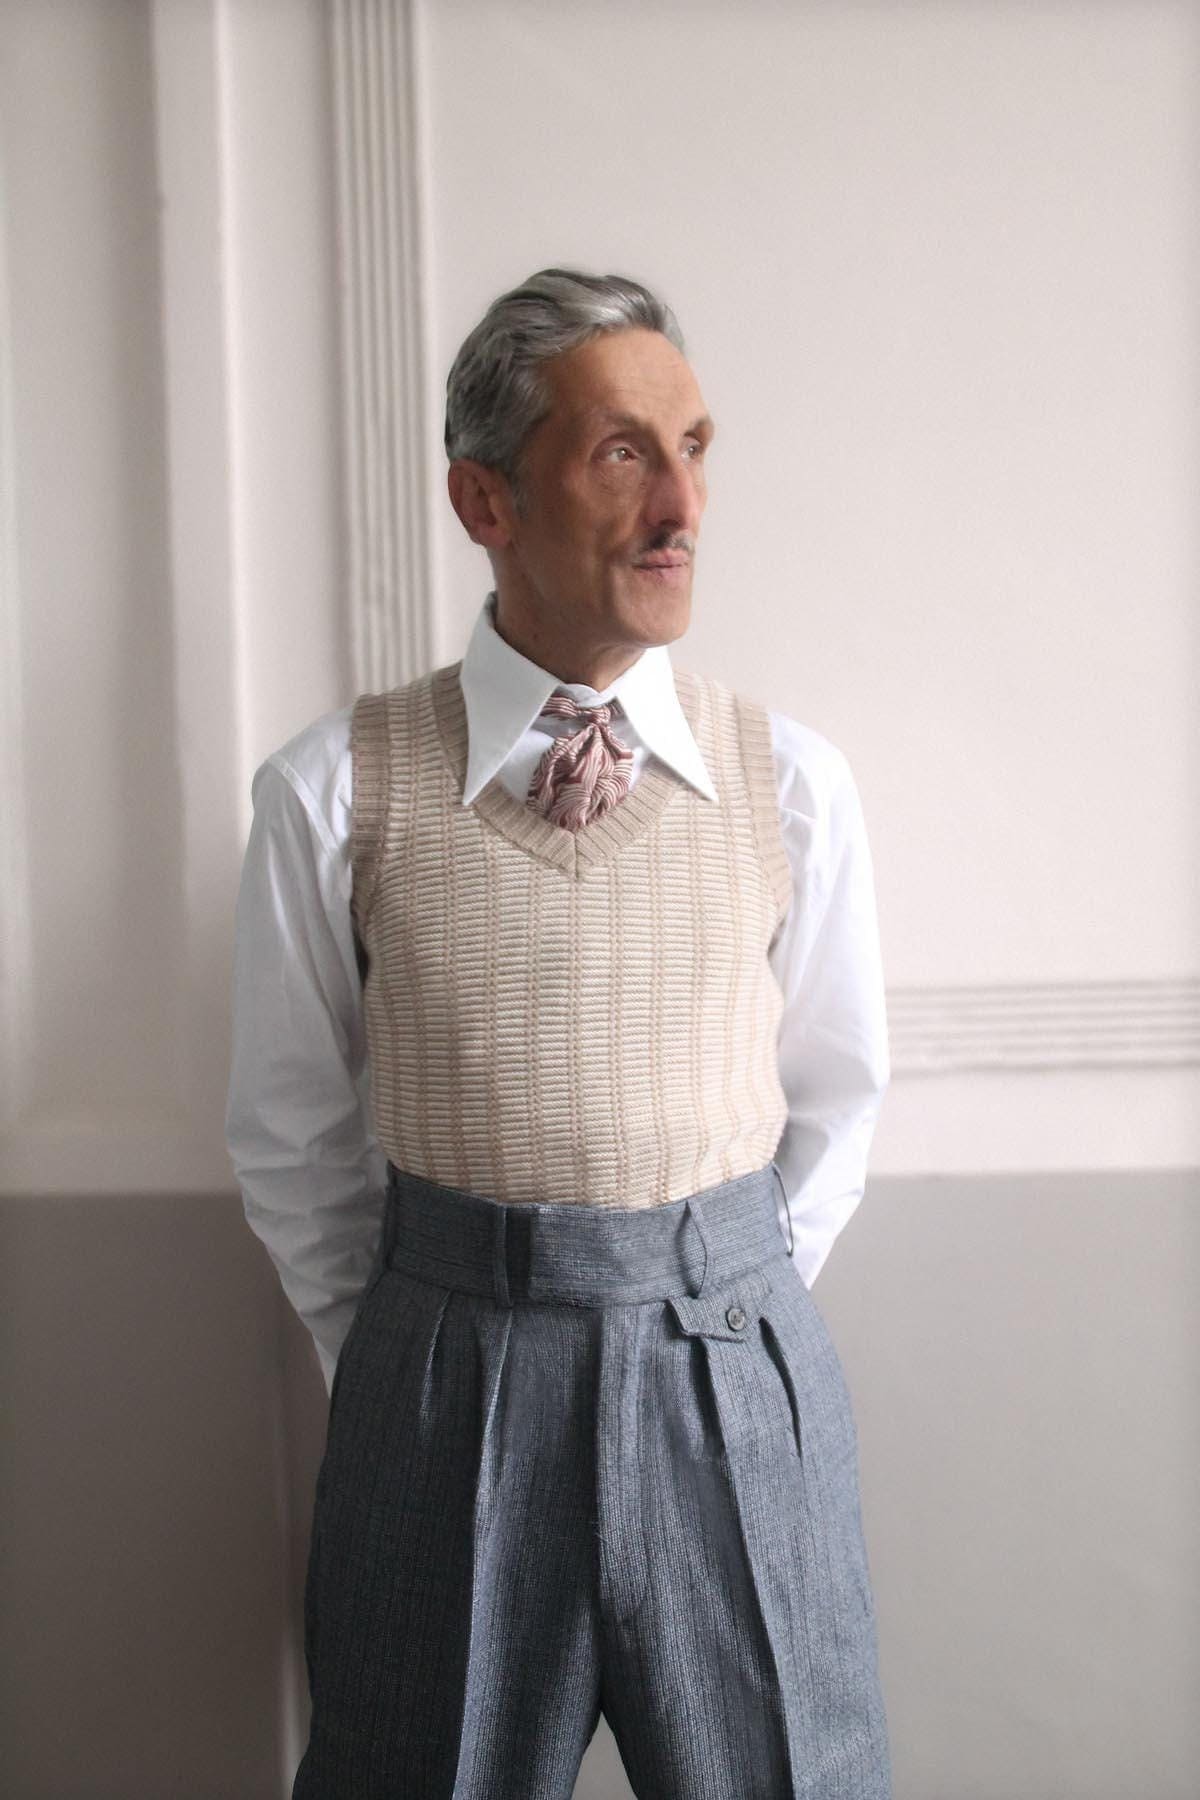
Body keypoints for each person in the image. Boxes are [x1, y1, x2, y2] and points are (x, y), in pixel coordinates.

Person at [225, 267, 894, 1799]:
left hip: (731, 1371)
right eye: (621, 453)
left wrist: (726, 1303)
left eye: (698, 446)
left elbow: (838, 1098)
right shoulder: (332, 790)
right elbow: (289, 1133)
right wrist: (409, 1354)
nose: (683, 506)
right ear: (486, 499)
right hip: (443, 1382)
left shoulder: (789, 781)